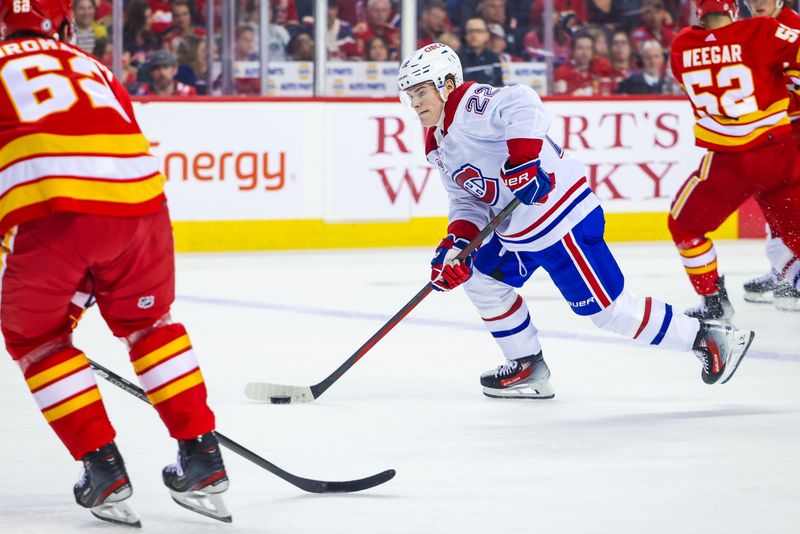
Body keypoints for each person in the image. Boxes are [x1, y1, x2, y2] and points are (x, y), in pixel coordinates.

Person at [397, 43, 755, 400]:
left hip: (558, 221)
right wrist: (457, 244)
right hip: (518, 232)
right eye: (410, 95)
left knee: (609, 312)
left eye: (422, 91)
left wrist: (523, 161)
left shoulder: (468, 104)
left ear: (446, 84)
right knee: (480, 279)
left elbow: (523, 103)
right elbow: (467, 197)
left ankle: (707, 337)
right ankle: (526, 365)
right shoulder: (437, 141)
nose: (415, 103)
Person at [0, 0, 230, 526]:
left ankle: (104, 469)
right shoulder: (96, 67)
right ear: (63, 25)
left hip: (52, 215)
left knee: (38, 341)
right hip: (142, 212)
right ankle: (202, 454)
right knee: (150, 324)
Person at [669, 0, 800, 320]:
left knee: (683, 226)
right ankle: (787, 275)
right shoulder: (762, 30)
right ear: (735, 8)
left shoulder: (682, 45)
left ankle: (713, 303)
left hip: (731, 161)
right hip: (780, 153)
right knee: (795, 235)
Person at [737, 0, 800, 311]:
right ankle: (782, 273)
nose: (757, 2)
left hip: (793, 135)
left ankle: (789, 274)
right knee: (780, 215)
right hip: (777, 138)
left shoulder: (794, 31)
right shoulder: (750, 33)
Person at [553, 31, 613, 95]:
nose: (585, 52)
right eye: (580, 48)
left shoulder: (603, 67)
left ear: (593, 51)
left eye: (588, 48)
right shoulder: (562, 72)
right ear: (573, 51)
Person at [459, 16, 504, 86]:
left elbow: (499, 85)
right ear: (465, 35)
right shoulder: (457, 58)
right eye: (470, 31)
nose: (474, 35)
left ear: (487, 35)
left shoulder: (493, 57)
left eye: (478, 31)